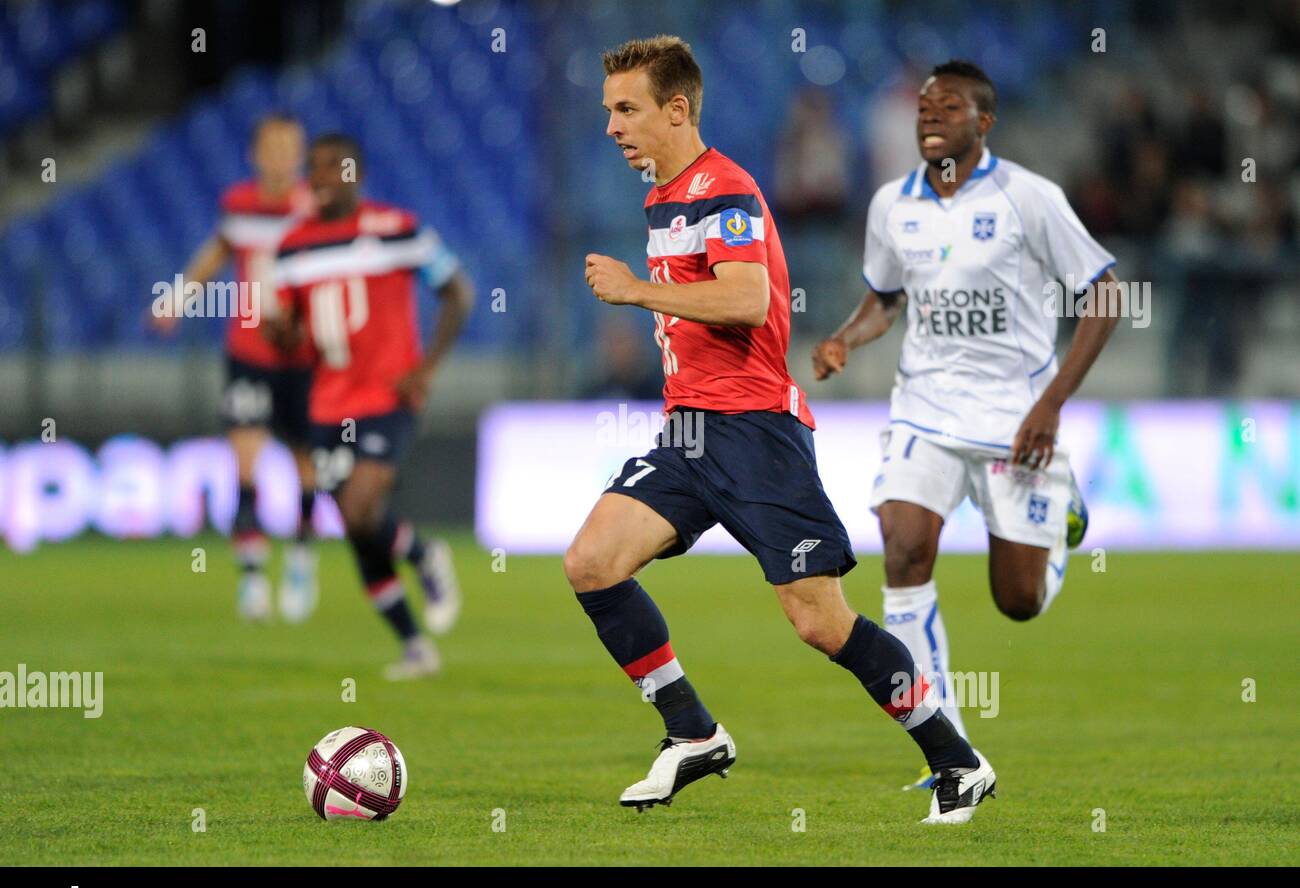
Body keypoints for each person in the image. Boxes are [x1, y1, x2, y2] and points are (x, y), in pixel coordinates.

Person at [568, 36, 995, 824]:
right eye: (607, 112)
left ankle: (956, 760)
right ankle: (691, 732)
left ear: (677, 109)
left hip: (755, 431)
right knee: (593, 562)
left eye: (626, 110)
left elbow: (747, 301)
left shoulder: (721, 191)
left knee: (818, 621)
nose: (612, 127)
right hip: (689, 434)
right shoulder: (662, 194)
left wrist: (634, 292)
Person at [812, 61, 1121, 788]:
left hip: (1017, 421)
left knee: (1017, 603)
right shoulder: (892, 203)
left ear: (984, 125)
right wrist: (844, 339)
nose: (929, 117)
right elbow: (885, 298)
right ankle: (946, 745)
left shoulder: (1029, 198)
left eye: (948, 108)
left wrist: (1052, 404)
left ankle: (1060, 514)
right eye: (923, 107)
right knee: (902, 548)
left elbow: (1104, 297)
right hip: (924, 408)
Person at [270, 133, 473, 680]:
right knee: (358, 527)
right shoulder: (291, 248)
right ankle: (415, 643)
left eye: (331, 166)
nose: (318, 177)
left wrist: (425, 368)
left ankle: (426, 556)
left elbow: (458, 291)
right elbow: (289, 335)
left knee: (360, 507)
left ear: (356, 172)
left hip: (388, 396)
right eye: (312, 168)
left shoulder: (398, 229)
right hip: (326, 403)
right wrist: (279, 331)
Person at [152, 113, 318, 622]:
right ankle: (250, 577)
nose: (280, 156)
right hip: (248, 351)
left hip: (304, 356)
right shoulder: (239, 205)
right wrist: (179, 297)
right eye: (271, 146)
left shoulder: (314, 209)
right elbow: (218, 251)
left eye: (290, 146)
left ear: (301, 154)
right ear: (255, 154)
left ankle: (300, 557)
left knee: (305, 467)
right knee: (244, 460)